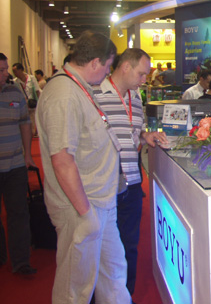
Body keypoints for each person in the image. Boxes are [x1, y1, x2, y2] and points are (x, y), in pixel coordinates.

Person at [36, 31, 131, 304]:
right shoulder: (64, 94)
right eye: (108, 66)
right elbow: (62, 160)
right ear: (95, 62)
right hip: (82, 205)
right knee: (75, 287)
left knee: (113, 273)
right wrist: (85, 213)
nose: (108, 72)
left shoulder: (79, 87)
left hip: (100, 202)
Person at [93, 48, 168, 297]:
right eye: (141, 74)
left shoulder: (135, 97)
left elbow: (134, 133)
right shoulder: (95, 93)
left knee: (129, 245)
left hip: (132, 182)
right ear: (125, 67)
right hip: (104, 184)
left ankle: (125, 296)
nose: (145, 79)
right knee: (101, 248)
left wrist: (146, 136)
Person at [0, 53, 37, 275]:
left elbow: (24, 123)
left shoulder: (15, 91)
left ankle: (21, 261)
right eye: (2, 70)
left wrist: (27, 155)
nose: (6, 74)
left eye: (6, 69)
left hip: (14, 165)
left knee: (18, 213)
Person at [12, 63, 41, 135]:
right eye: (13, 71)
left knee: (32, 126)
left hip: (32, 105)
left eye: (15, 71)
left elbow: (37, 91)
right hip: (22, 107)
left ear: (21, 70)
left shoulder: (31, 79)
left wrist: (39, 104)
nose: (14, 73)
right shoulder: (15, 82)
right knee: (23, 127)